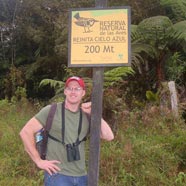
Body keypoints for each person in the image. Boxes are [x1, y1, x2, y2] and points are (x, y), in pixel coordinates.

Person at [19, 76, 114, 186]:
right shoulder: (51, 111)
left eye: (77, 89)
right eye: (70, 88)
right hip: (57, 175)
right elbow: (25, 132)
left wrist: (95, 113)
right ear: (65, 91)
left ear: (83, 93)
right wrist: (38, 161)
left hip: (82, 176)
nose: (73, 92)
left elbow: (109, 136)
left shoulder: (87, 115)